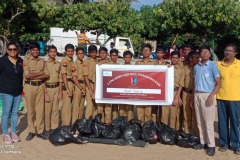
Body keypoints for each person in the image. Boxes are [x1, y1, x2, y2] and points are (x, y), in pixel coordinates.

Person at [192, 45, 220, 156]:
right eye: (202, 52)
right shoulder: (196, 67)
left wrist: (211, 96)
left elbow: (218, 83)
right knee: (200, 121)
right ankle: (202, 142)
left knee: (208, 121)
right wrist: (193, 97)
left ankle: (211, 145)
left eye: (207, 52)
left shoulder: (212, 66)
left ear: (210, 54)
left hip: (208, 95)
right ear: (199, 54)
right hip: (197, 95)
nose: (205, 54)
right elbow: (194, 83)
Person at [216, 44, 240, 154]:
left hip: (236, 98)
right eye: (226, 50)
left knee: (235, 123)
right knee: (222, 123)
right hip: (221, 97)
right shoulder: (218, 65)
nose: (228, 52)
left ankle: (236, 145)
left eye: (230, 51)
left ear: (235, 53)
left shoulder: (239, 64)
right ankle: (224, 143)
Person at [23, 42, 49, 141]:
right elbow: (27, 76)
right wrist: (40, 72)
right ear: (30, 50)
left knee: (40, 110)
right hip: (29, 87)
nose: (35, 51)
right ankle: (31, 131)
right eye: (33, 50)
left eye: (37, 50)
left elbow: (47, 75)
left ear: (39, 50)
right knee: (30, 111)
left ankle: (40, 131)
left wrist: (35, 75)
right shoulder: (26, 60)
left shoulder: (42, 61)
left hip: (40, 86)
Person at [0, 42, 23, 143]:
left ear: (17, 50)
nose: (12, 51)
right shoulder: (2, 61)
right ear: (7, 50)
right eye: (10, 49)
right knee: (6, 113)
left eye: (14, 49)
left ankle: (13, 132)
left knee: (14, 112)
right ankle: (5, 134)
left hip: (17, 91)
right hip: (6, 91)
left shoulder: (20, 60)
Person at [161, 51, 183, 130]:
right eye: (173, 57)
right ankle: (164, 132)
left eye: (176, 58)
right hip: (166, 92)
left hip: (175, 92)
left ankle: (172, 133)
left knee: (173, 115)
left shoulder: (181, 70)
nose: (174, 59)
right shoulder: (166, 67)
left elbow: (181, 85)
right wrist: (166, 67)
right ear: (170, 58)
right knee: (164, 114)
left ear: (179, 59)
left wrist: (177, 97)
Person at [135, 44, 157, 124]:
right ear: (141, 52)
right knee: (139, 112)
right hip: (139, 90)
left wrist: (168, 66)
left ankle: (147, 131)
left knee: (148, 113)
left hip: (149, 91)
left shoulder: (154, 63)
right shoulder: (137, 63)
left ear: (150, 52)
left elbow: (161, 73)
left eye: (147, 50)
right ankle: (140, 130)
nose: (145, 52)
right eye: (144, 50)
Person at [44, 46, 62, 136]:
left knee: (55, 110)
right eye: (51, 51)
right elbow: (42, 80)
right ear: (48, 53)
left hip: (56, 88)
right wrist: (45, 93)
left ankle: (54, 128)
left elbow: (60, 79)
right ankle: (47, 129)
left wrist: (60, 93)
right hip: (47, 88)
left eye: (54, 51)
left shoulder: (58, 64)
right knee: (48, 110)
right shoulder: (45, 64)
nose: (53, 53)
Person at [181, 51, 199, 136]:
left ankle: (196, 134)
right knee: (186, 114)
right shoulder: (185, 68)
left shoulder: (200, 68)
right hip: (186, 93)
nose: (197, 59)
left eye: (197, 58)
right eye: (195, 57)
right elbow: (181, 82)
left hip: (196, 94)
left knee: (195, 115)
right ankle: (187, 133)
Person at [152, 46, 170, 123]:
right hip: (153, 89)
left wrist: (170, 67)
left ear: (163, 54)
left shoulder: (167, 63)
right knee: (153, 110)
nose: (159, 54)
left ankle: (162, 127)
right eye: (158, 53)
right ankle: (153, 127)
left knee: (163, 111)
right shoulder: (152, 63)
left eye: (161, 53)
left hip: (163, 90)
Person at [96, 47, 112, 123]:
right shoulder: (96, 64)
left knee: (108, 108)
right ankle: (100, 125)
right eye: (101, 53)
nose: (102, 55)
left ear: (107, 54)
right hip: (99, 89)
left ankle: (107, 125)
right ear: (99, 54)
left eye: (104, 53)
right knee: (100, 108)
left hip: (108, 89)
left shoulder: (110, 64)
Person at [60, 44, 74, 126]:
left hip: (71, 82)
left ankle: (67, 123)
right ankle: (65, 124)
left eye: (72, 51)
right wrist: (67, 89)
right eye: (68, 51)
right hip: (67, 83)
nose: (70, 52)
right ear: (65, 51)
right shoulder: (65, 60)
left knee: (69, 104)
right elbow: (64, 75)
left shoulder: (71, 60)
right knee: (66, 106)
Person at [71, 47, 86, 124]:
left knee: (81, 107)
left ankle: (79, 125)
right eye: (79, 53)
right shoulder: (74, 64)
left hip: (84, 84)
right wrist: (81, 88)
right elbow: (74, 78)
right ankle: (74, 124)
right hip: (78, 86)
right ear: (76, 54)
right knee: (76, 107)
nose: (81, 55)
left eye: (82, 53)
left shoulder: (84, 63)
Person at [118, 50, 134, 122]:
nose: (127, 59)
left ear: (131, 58)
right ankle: (122, 124)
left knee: (130, 108)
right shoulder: (120, 66)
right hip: (122, 90)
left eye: (129, 57)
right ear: (123, 58)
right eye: (126, 57)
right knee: (122, 108)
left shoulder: (134, 67)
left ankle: (129, 123)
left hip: (131, 90)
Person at [83, 45, 98, 119]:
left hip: (97, 85)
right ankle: (87, 122)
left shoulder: (98, 61)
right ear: (89, 53)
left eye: (94, 52)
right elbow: (85, 77)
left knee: (96, 105)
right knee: (90, 104)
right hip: (89, 84)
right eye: (91, 53)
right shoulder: (86, 62)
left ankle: (94, 123)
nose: (93, 54)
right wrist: (91, 90)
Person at [109, 49, 119, 120]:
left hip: (116, 88)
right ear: (110, 56)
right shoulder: (106, 64)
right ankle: (107, 122)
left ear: (117, 56)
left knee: (115, 106)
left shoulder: (119, 66)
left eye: (115, 55)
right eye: (112, 55)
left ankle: (115, 121)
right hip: (108, 88)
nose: (114, 57)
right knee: (108, 107)